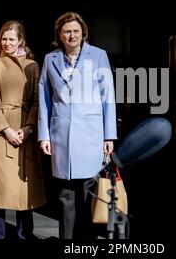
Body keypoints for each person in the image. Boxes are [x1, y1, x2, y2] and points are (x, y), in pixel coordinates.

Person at [38, 12, 117, 239]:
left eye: (75, 31)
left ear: (83, 33)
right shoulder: (50, 59)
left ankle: (87, 243)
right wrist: (44, 135)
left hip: (92, 134)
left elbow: (107, 96)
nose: (71, 35)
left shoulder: (99, 55)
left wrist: (109, 136)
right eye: (66, 32)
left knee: (89, 194)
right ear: (59, 36)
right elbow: (44, 98)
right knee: (65, 196)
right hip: (60, 135)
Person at [0, 20, 46, 239]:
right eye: (3, 39)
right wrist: (6, 129)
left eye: (11, 39)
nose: (7, 43)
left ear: (21, 41)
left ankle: (24, 235)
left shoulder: (32, 66)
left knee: (24, 189)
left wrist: (28, 128)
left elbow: (39, 100)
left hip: (25, 130)